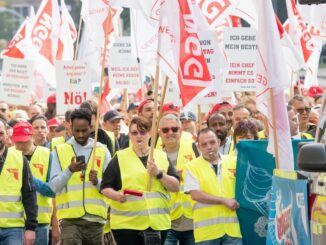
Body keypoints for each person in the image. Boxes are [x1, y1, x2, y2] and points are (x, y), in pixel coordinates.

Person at [101, 116, 180, 245]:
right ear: (130, 135)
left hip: (158, 223)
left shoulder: (161, 156)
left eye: (143, 132)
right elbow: (105, 187)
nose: (139, 136)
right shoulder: (120, 157)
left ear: (150, 134)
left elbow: (175, 186)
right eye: (134, 133)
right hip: (126, 225)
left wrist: (159, 173)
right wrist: (116, 195)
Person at [49, 108, 111, 245]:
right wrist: (69, 170)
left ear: (91, 127)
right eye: (77, 130)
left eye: (84, 130)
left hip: (96, 221)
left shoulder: (102, 150)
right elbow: (53, 187)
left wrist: (98, 182)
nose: (81, 134)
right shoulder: (60, 151)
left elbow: (111, 188)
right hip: (70, 220)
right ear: (70, 127)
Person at [184, 128, 242, 244]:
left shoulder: (234, 162)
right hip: (207, 233)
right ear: (198, 147)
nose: (209, 147)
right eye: (204, 144)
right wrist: (224, 200)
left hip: (232, 230)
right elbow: (196, 195)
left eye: (212, 142)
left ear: (219, 142)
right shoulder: (191, 166)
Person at [12, 121, 58, 245]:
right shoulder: (8, 155)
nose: (20, 146)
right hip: (12, 223)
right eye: (17, 142)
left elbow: (53, 190)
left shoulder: (48, 155)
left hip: (40, 222)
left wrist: (29, 178)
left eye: (24, 141)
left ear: (32, 137)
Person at [158, 114, 196, 245]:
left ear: (180, 130)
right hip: (166, 220)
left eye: (174, 129)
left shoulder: (194, 147)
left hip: (191, 219)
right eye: (165, 130)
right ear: (159, 132)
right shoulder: (153, 153)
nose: (170, 133)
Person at [0, 119, 37, 245]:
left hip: (13, 229)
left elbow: (29, 195)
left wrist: (31, 227)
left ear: (6, 135)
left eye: (0, 133)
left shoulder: (20, 159)